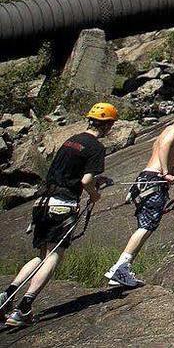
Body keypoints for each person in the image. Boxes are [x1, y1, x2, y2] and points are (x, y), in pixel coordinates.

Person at [2, 103, 116, 325]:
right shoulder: (95, 147)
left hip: (42, 202)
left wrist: (93, 181)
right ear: (108, 125)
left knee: (40, 255)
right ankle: (24, 307)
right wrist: (93, 195)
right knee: (54, 255)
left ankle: (8, 295)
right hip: (62, 205)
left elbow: (67, 172)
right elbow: (85, 180)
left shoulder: (70, 141)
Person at [105, 101, 174, 289]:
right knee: (147, 225)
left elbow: (168, 162)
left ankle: (121, 269)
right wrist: (164, 172)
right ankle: (120, 268)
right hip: (154, 179)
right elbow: (165, 148)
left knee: (147, 225)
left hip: (148, 178)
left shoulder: (169, 130)